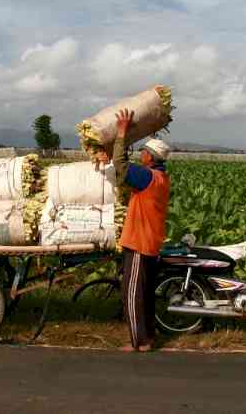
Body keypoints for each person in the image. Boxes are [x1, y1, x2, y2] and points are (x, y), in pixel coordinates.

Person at [98, 108, 171, 352]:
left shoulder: (146, 177)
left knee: (132, 293)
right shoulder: (160, 178)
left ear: (150, 158)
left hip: (139, 242)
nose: (141, 155)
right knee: (146, 293)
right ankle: (148, 338)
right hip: (151, 242)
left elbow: (120, 165)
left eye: (144, 152)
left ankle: (137, 342)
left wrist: (121, 133)